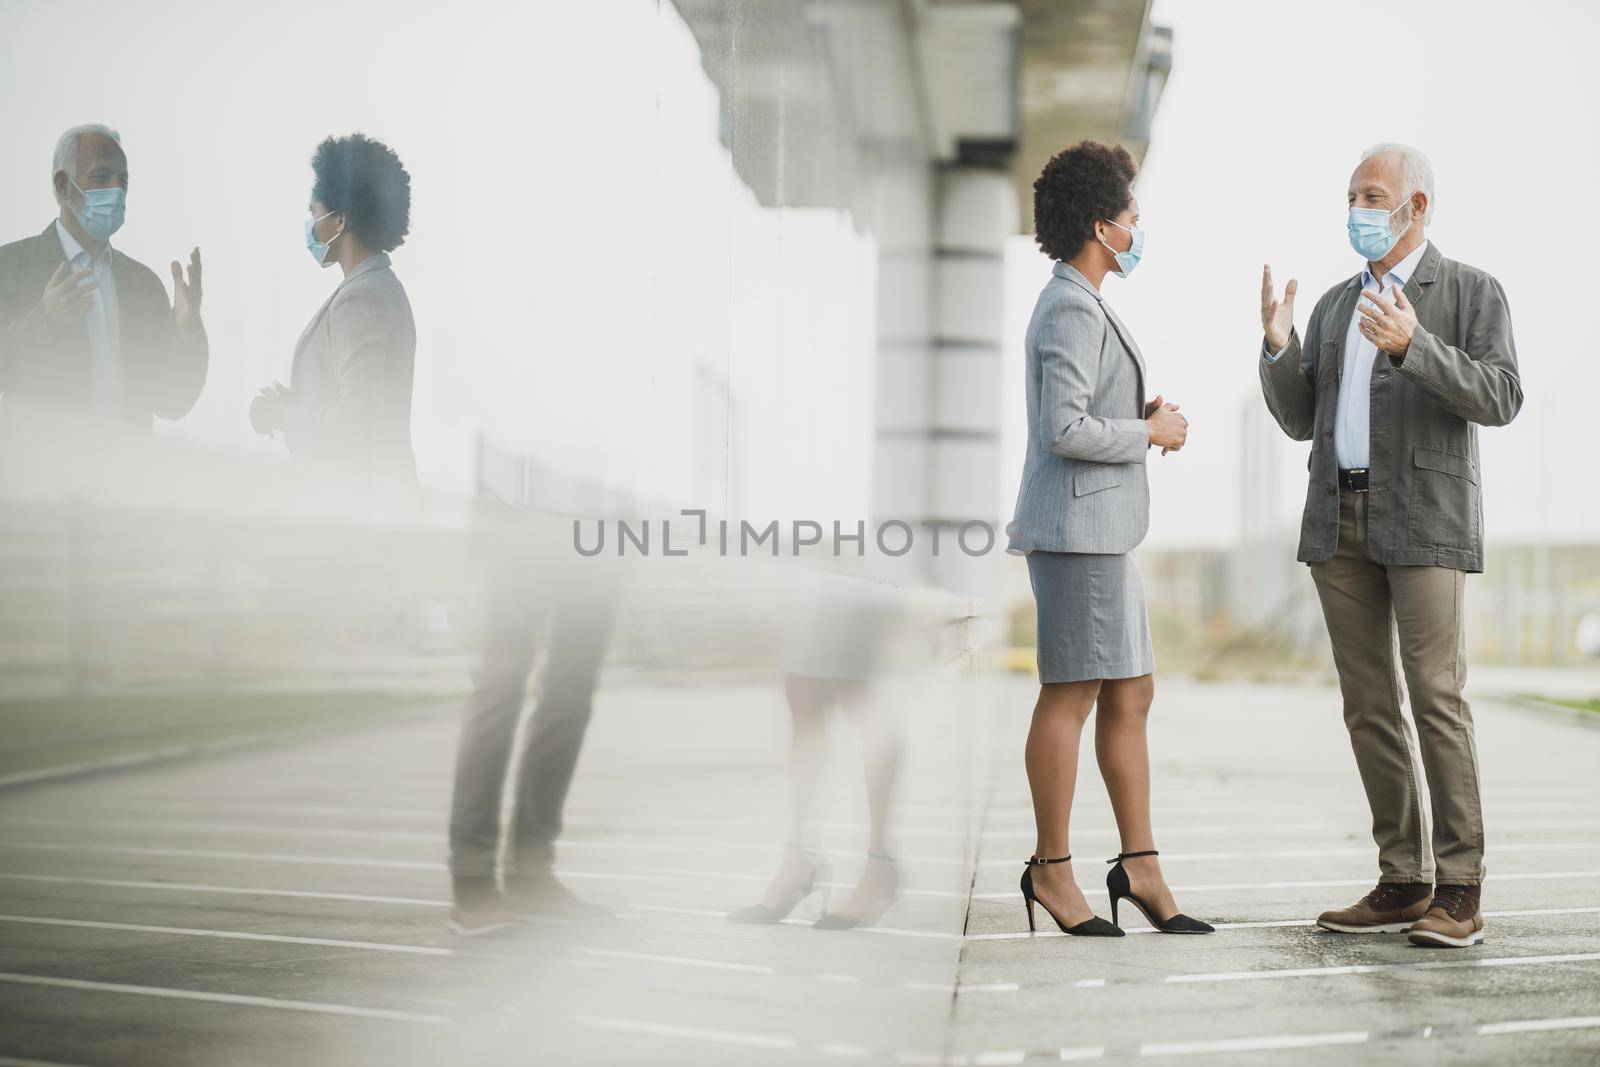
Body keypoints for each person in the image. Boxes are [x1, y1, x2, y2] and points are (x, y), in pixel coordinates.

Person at [1259, 143, 1523, 948]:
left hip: (1427, 516)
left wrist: (1416, 346)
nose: (1357, 210)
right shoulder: (1337, 305)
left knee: (1436, 696)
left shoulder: (1470, 291)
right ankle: (1403, 878)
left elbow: (1501, 394)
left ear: (1417, 208)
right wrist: (1279, 348)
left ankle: (1461, 887)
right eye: (1351, 195)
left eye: (1372, 195)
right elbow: (1304, 415)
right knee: (1368, 704)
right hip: (1339, 519)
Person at [1005, 140, 1212, 937]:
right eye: (1133, 218)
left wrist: (1137, 418)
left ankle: (1140, 865)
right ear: (1102, 225)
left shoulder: (1083, 301)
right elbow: (1062, 428)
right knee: (1073, 693)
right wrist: (1147, 426)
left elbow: (1085, 410)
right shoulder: (1066, 303)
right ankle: (1052, 871)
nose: (1138, 229)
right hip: (1077, 532)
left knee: (1132, 691)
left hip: (1104, 530)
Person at [445, 498, 621, 937]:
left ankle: (531, 870)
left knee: (572, 695)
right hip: (520, 519)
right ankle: (472, 877)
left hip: (603, 528)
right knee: (501, 687)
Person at [0, 123, 206, 447]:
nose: (116, 192)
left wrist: (189, 330)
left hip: (127, 487)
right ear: (63, 185)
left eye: (123, 182)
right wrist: (45, 321)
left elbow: (172, 403)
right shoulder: (8, 268)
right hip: (40, 485)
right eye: (101, 177)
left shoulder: (145, 286)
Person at [250, 134, 416, 481]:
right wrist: (299, 402)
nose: (311, 223)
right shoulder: (378, 287)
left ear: (339, 221)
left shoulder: (362, 298)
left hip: (359, 514)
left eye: (314, 211)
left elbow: (357, 427)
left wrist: (283, 415)